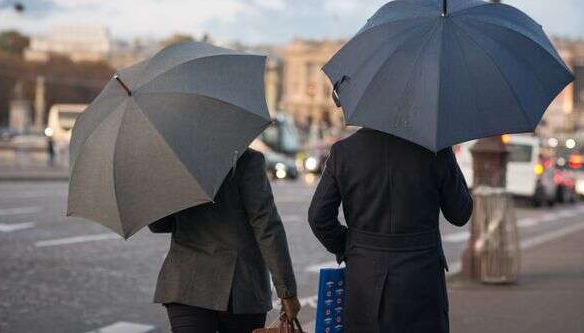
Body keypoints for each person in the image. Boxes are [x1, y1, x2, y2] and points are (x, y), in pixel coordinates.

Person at [308, 128, 472, 333]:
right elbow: (460, 213)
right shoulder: (435, 150)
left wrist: (351, 246)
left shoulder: (344, 151)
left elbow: (318, 217)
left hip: (364, 277)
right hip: (422, 278)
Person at [149, 148, 300, 333]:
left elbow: (158, 225)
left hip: (185, 283)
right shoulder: (247, 159)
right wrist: (287, 292)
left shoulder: (174, 161)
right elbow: (266, 226)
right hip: (240, 287)